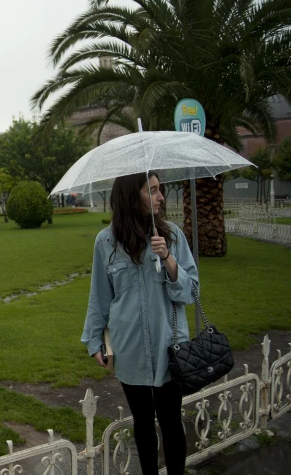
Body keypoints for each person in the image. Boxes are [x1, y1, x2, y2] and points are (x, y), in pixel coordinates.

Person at [81, 171, 198, 475]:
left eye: (161, 190)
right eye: (153, 190)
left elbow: (191, 291)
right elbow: (100, 296)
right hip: (129, 346)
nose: (161, 197)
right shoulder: (105, 242)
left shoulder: (170, 235)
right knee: (143, 424)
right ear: (132, 197)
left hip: (169, 345)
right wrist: (94, 340)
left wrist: (169, 259)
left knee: (171, 422)